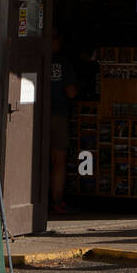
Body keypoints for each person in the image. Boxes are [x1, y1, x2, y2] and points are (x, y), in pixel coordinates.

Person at [49, 28, 79, 214]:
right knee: (58, 161)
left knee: (34, 160)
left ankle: (34, 201)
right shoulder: (63, 62)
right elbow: (71, 92)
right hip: (58, 115)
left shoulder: (36, 58)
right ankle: (56, 201)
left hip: (35, 115)